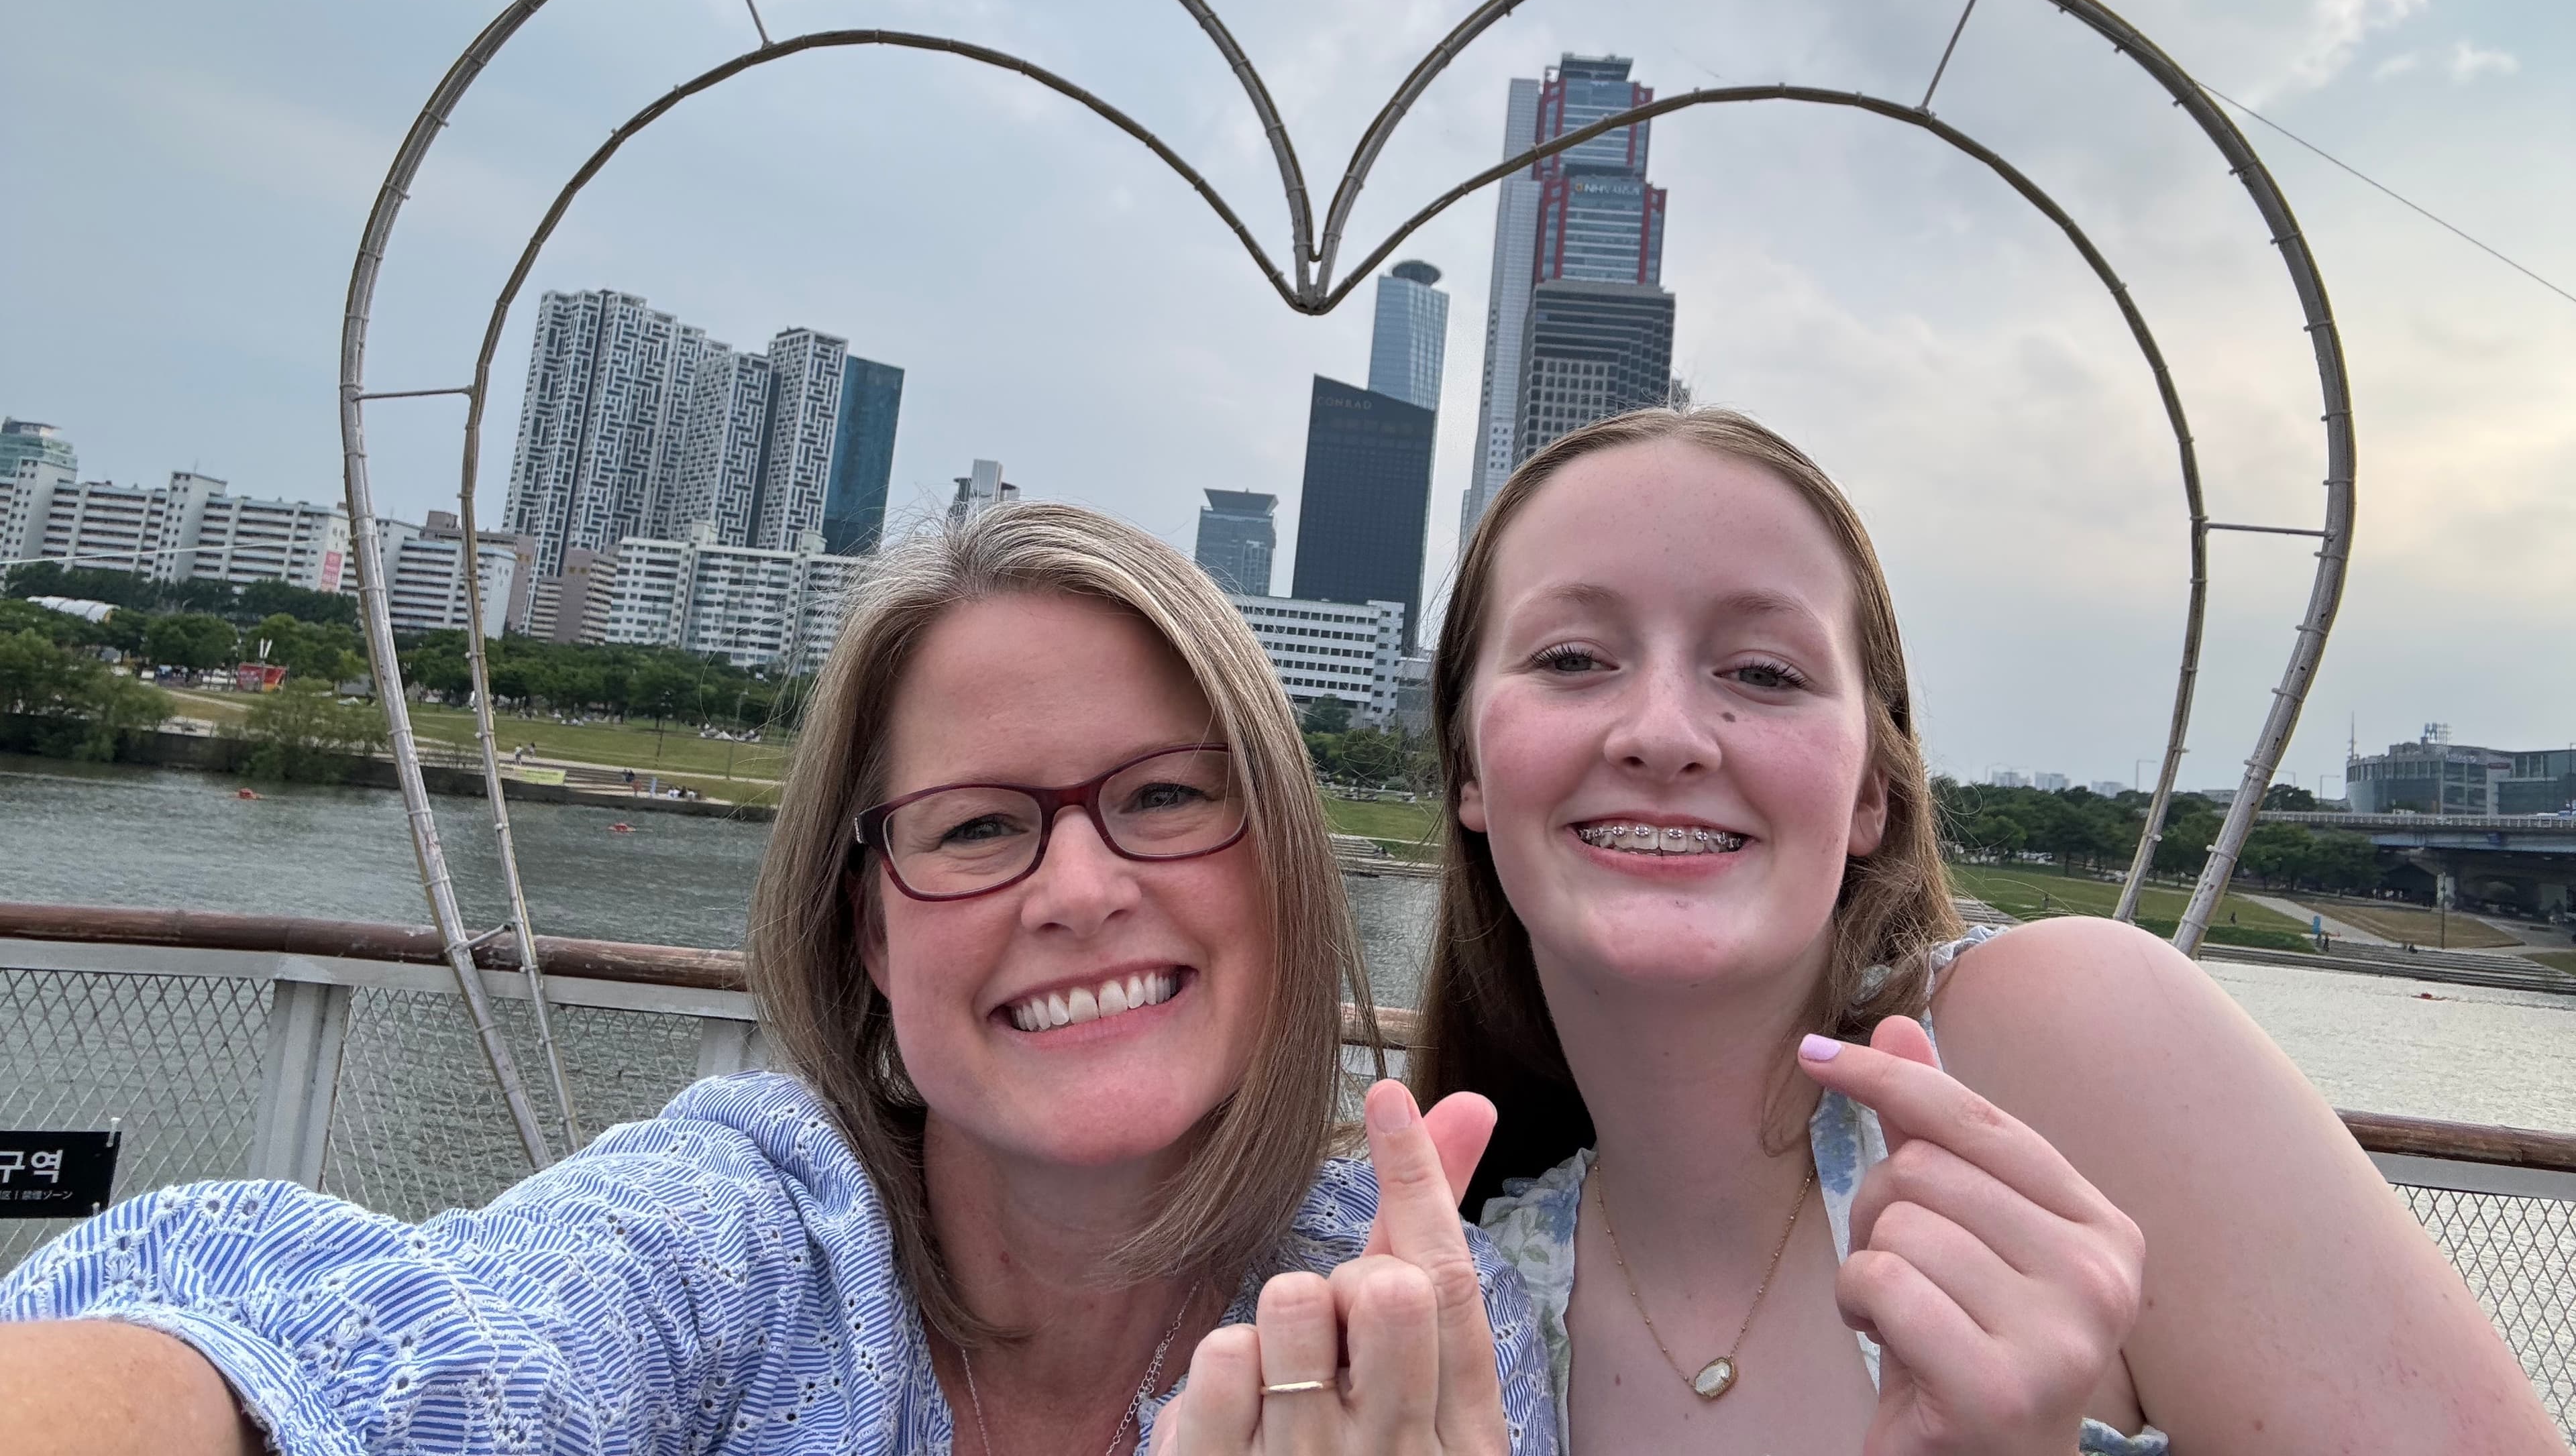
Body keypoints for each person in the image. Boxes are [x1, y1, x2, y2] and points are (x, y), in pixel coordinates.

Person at [0, 504, 1552, 1455]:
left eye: (1164, 798)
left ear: (1282, 864)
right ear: (868, 934)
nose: (1080, 890)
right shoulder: (743, 1252)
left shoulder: (1413, 1337)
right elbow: (392, 1343)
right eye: (977, 826)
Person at [1411, 406, 2559, 1454]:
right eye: (1571, 660)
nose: (1664, 734)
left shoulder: (2059, 1043)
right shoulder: (1460, 1310)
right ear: (1470, 766)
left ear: (1872, 791)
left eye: (1764, 673)